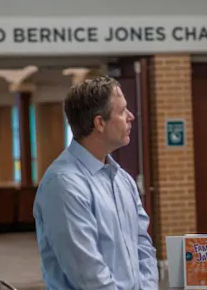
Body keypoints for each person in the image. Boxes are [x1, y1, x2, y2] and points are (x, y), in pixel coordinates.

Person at [33, 76, 158, 290]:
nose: (131, 117)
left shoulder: (122, 179)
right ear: (99, 122)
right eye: (122, 111)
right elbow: (88, 275)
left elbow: (143, 247)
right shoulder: (63, 185)